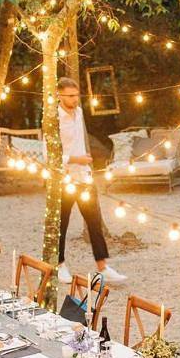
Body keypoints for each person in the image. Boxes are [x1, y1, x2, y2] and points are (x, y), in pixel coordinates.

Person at [56, 76, 127, 285]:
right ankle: (59, 265)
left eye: (76, 95)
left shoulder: (78, 113)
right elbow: (48, 153)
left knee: (94, 222)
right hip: (65, 179)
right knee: (62, 224)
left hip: (84, 176)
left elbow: (78, 141)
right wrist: (74, 159)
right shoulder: (53, 118)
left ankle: (102, 267)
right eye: (70, 96)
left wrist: (84, 160)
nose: (75, 99)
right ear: (59, 95)